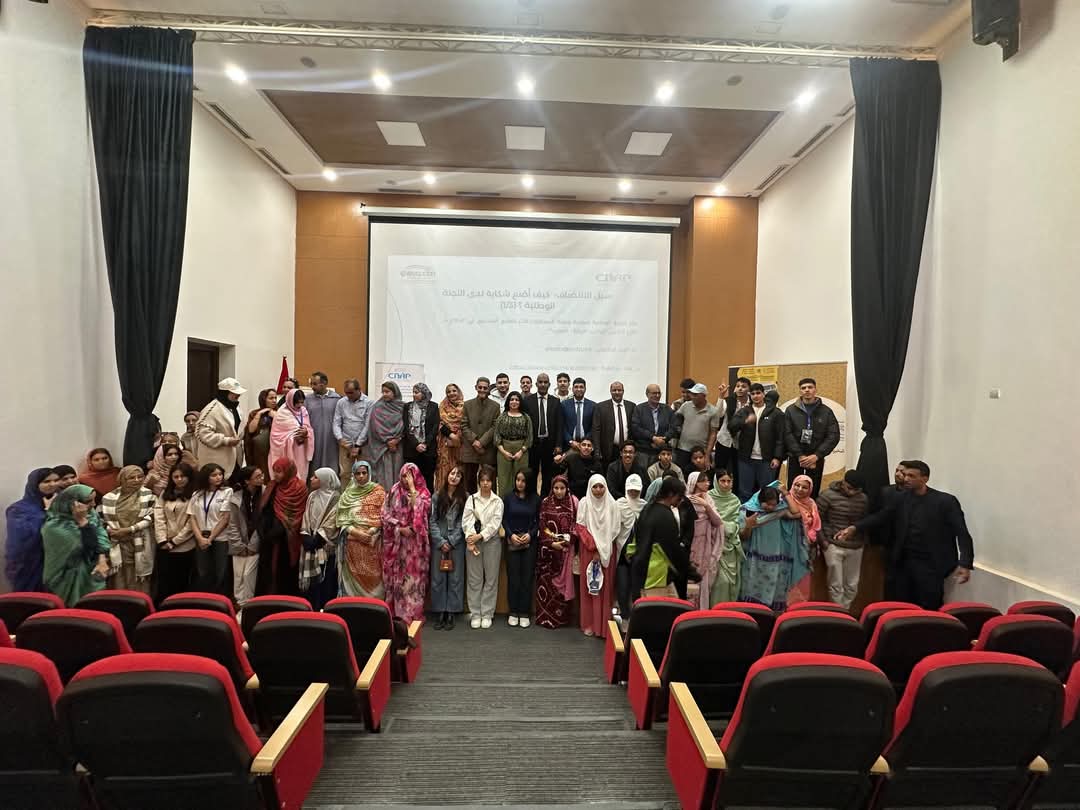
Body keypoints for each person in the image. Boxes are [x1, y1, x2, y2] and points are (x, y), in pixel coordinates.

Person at [838, 460, 974, 611]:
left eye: (911, 476)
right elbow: (882, 516)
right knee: (896, 605)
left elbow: (961, 532)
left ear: (925, 478)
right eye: (905, 474)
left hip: (931, 565)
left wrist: (965, 563)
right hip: (902, 562)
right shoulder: (901, 498)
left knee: (927, 606)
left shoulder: (945, 501)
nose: (906, 478)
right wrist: (855, 528)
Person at [739, 483, 810, 611]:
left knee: (774, 589)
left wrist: (785, 493)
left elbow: (796, 513)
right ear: (760, 500)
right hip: (754, 558)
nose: (771, 507)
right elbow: (742, 537)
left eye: (774, 504)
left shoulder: (779, 511)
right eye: (767, 504)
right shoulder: (748, 510)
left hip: (776, 558)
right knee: (752, 587)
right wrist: (749, 525)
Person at [630, 477, 699, 599]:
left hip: (640, 571)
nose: (681, 500)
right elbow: (672, 549)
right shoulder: (665, 516)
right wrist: (690, 571)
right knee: (660, 611)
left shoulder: (647, 509)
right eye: (679, 497)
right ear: (671, 494)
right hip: (655, 577)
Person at [41, 484, 111, 606]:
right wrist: (82, 522)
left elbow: (101, 536)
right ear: (72, 503)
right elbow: (90, 546)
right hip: (66, 579)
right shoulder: (54, 527)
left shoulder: (91, 515)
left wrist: (102, 558)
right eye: (88, 501)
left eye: (94, 500)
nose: (94, 504)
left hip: (92, 574)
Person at [381, 463, 432, 623]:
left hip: (416, 547)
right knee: (398, 580)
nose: (406, 480)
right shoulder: (394, 490)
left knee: (414, 581)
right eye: (404, 476)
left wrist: (412, 489)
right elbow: (384, 514)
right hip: (398, 544)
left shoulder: (423, 492)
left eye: (410, 476)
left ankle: (413, 614)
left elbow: (421, 514)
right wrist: (399, 527)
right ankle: (397, 614)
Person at [574, 474, 620, 639]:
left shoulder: (612, 504)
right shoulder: (584, 503)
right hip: (589, 550)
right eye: (595, 487)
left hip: (607, 550)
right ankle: (589, 624)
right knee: (590, 587)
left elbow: (615, 529)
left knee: (605, 587)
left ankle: (603, 627)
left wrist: (602, 548)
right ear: (590, 487)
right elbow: (580, 526)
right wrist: (593, 547)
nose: (598, 490)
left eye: (601, 486)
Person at [817, 469, 869, 609]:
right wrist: (823, 541)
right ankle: (838, 614)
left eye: (856, 490)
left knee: (852, 585)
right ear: (843, 482)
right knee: (836, 584)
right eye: (849, 488)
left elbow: (865, 521)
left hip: (856, 546)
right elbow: (817, 520)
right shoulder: (827, 495)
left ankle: (845, 611)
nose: (852, 492)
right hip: (833, 544)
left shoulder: (863, 498)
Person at [100, 465, 155, 594]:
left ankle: (140, 602)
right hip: (118, 542)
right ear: (122, 479)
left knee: (140, 576)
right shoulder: (109, 498)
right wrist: (112, 531)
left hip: (140, 540)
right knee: (120, 574)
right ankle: (121, 600)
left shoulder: (149, 496)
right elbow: (102, 519)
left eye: (140, 477)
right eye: (131, 477)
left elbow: (150, 518)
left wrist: (129, 530)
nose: (137, 480)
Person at [335, 460, 387, 598]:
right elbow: (342, 519)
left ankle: (374, 606)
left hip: (372, 542)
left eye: (364, 473)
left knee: (375, 580)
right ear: (353, 475)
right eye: (358, 473)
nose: (361, 476)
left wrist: (371, 532)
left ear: (369, 473)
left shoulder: (378, 492)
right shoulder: (347, 495)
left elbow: (384, 515)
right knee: (352, 588)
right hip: (352, 545)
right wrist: (355, 532)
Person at [782, 378, 841, 497]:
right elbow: (787, 434)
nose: (807, 390)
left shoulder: (826, 411)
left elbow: (833, 435)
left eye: (810, 387)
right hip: (795, 457)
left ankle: (811, 508)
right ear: (800, 391)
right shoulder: (790, 410)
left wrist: (817, 455)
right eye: (803, 388)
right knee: (794, 488)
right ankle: (793, 508)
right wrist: (800, 455)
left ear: (815, 390)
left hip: (816, 457)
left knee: (812, 489)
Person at [728, 383, 786, 502]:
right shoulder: (745, 411)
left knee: (767, 493)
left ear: (763, 394)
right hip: (746, 459)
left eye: (758, 393)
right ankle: (745, 513)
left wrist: (777, 457)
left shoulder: (776, 413)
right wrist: (745, 421)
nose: (755, 396)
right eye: (753, 393)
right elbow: (731, 426)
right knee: (744, 492)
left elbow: (781, 437)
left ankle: (765, 514)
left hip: (767, 460)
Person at [5, 468, 60, 592]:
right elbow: (23, 537)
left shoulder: (61, 505)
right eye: (46, 481)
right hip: (30, 565)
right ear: (35, 484)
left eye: (56, 480)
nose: (53, 484)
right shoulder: (18, 509)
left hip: (57, 564)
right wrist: (48, 512)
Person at [462, 465, 503, 629]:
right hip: (473, 543)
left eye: (488, 480)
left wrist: (480, 536)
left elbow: (495, 524)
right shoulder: (471, 499)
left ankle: (487, 613)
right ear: (479, 482)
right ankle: (475, 613)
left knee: (491, 579)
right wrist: (471, 539)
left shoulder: (498, 501)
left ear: (493, 482)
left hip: (491, 542)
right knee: (474, 579)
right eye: (483, 480)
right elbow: (466, 521)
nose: (485, 483)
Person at [429, 465, 466, 629]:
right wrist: (440, 541)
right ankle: (440, 612)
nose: (454, 477)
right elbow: (432, 521)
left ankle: (451, 612)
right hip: (439, 543)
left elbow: (463, 522)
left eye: (458, 475)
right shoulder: (437, 496)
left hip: (456, 543)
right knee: (438, 578)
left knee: (455, 578)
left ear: (461, 479)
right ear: (447, 475)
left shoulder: (465, 497)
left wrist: (451, 541)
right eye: (452, 473)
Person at [536, 475, 576, 630]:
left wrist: (567, 541)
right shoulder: (546, 502)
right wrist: (552, 543)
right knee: (547, 585)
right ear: (552, 488)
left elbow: (576, 526)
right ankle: (545, 617)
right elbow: (542, 526)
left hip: (566, 552)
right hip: (548, 552)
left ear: (567, 488)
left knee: (562, 587)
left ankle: (561, 619)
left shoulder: (573, 503)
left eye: (562, 488)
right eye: (556, 488)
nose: (559, 491)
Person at [188, 463, 234, 595]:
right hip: (201, 536)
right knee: (203, 570)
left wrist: (210, 538)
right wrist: (200, 538)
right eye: (214, 475)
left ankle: (220, 598)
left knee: (221, 571)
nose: (218, 477)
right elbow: (192, 517)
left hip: (220, 537)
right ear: (205, 477)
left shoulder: (227, 491)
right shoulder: (197, 494)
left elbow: (225, 518)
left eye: (220, 474)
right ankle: (204, 597)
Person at [298, 467, 341, 609]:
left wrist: (318, 539)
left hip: (325, 547)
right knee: (312, 587)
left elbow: (333, 522)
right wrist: (305, 535)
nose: (311, 479)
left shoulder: (336, 498)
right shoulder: (312, 496)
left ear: (324, 480)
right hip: (311, 544)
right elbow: (306, 516)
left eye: (315, 477)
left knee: (325, 582)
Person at [154, 462, 196, 603]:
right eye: (176, 477)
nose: (179, 479)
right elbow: (159, 516)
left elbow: (191, 523)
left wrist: (174, 542)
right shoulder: (165, 494)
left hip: (185, 545)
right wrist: (162, 540)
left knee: (182, 580)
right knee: (165, 581)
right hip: (164, 545)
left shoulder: (195, 495)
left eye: (182, 476)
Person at [502, 469, 539, 627]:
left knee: (527, 578)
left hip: (529, 542)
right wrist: (510, 535)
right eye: (518, 480)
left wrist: (531, 534)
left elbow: (539, 521)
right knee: (513, 577)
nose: (520, 483)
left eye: (523, 480)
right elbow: (504, 519)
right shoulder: (508, 498)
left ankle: (524, 612)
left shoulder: (536, 499)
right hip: (513, 542)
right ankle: (513, 611)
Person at [225, 466, 264, 606]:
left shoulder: (266, 494)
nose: (262, 478)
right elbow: (232, 523)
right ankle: (239, 605)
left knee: (248, 575)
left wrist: (253, 545)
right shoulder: (236, 497)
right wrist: (239, 545)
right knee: (238, 576)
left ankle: (247, 605)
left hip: (256, 542)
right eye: (257, 476)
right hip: (239, 543)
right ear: (247, 481)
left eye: (262, 475)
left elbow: (263, 523)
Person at [686, 471, 725, 610]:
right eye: (703, 481)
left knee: (703, 580)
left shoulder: (708, 500)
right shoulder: (685, 500)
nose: (707, 484)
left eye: (708, 481)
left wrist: (706, 506)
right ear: (695, 483)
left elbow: (718, 522)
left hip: (704, 545)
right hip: (690, 544)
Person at [195, 378, 246, 478]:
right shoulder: (212, 409)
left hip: (234, 458)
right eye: (234, 393)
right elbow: (202, 434)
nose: (238, 395)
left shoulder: (235, 407)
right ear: (225, 393)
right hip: (217, 460)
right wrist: (226, 440)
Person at [523, 372, 563, 499]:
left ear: (549, 385)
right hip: (532, 444)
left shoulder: (556, 401)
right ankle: (532, 499)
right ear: (536, 384)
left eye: (545, 382)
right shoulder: (527, 401)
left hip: (549, 444)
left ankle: (545, 500)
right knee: (531, 472)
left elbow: (559, 425)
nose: (543, 384)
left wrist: (558, 445)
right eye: (540, 382)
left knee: (547, 474)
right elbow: (525, 424)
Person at [707, 469, 745, 603]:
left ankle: (728, 610)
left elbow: (738, 524)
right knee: (718, 581)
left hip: (730, 545)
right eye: (722, 481)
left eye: (729, 481)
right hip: (712, 545)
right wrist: (723, 526)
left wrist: (726, 527)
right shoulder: (708, 498)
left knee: (730, 582)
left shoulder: (735, 500)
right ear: (716, 482)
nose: (726, 484)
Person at [459, 378, 500, 493]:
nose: (482, 390)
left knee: (489, 480)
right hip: (470, 448)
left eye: (485, 388)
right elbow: (464, 425)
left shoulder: (495, 406)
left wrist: (481, 442)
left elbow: (495, 426)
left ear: (489, 389)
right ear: (476, 387)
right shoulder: (467, 405)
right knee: (469, 482)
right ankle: (471, 503)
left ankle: (490, 503)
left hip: (487, 449)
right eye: (480, 387)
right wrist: (474, 441)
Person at [614, 473, 645, 619]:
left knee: (637, 589)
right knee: (622, 587)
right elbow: (614, 527)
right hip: (622, 553)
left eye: (636, 490)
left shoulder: (645, 506)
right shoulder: (619, 504)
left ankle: (637, 619)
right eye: (631, 489)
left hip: (639, 554)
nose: (633, 492)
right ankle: (624, 616)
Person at [674, 383, 720, 477]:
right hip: (683, 449)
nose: (692, 397)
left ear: (703, 396)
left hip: (701, 452)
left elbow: (713, 434)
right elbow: (676, 420)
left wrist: (707, 454)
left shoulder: (713, 411)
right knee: (681, 476)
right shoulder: (686, 406)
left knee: (701, 478)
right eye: (691, 394)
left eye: (695, 395)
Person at [269, 388, 315, 478]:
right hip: (288, 449)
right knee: (289, 473)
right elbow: (276, 435)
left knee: (301, 473)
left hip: (301, 448)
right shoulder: (282, 413)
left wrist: (306, 432)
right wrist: (292, 436)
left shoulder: (303, 410)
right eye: (297, 403)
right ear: (290, 401)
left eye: (302, 402)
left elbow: (309, 427)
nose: (300, 405)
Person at [367, 381, 405, 489]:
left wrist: (397, 440)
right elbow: (374, 426)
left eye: (387, 392)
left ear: (395, 392)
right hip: (382, 447)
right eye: (383, 392)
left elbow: (407, 425)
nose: (384, 394)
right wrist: (388, 441)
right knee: (383, 475)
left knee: (398, 471)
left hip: (398, 446)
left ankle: (397, 496)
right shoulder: (377, 407)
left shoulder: (403, 407)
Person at [494, 391, 533, 496]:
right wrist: (503, 452)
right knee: (504, 477)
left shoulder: (526, 417)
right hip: (504, 449)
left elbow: (529, 437)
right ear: (508, 402)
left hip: (521, 449)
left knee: (521, 477)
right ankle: (504, 501)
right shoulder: (502, 417)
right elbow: (497, 436)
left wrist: (521, 451)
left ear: (520, 402)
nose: (514, 402)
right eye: (512, 399)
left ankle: (520, 500)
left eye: (517, 400)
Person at [403, 382, 439, 492]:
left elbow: (435, 427)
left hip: (428, 449)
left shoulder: (433, 406)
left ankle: (427, 501)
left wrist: (425, 444)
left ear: (424, 393)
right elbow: (406, 427)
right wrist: (416, 444)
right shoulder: (408, 407)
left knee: (428, 479)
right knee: (412, 479)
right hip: (412, 449)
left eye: (417, 392)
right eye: (413, 392)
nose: (414, 394)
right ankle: (413, 501)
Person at [333, 378, 373, 479]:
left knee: (363, 472)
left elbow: (367, 425)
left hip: (363, 444)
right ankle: (345, 490)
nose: (348, 395)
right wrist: (340, 438)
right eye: (346, 393)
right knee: (345, 473)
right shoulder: (341, 402)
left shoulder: (369, 402)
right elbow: (336, 422)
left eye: (351, 393)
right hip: (345, 442)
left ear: (359, 389)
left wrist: (358, 444)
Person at [593, 381, 637, 467]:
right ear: (610, 391)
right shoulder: (601, 407)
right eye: (614, 390)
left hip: (627, 449)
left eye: (619, 390)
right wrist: (597, 450)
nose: (617, 392)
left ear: (623, 391)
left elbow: (634, 428)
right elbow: (596, 430)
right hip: (608, 449)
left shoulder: (631, 406)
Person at [630, 383, 677, 464]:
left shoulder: (667, 409)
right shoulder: (639, 409)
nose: (657, 395)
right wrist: (653, 438)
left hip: (662, 450)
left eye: (659, 393)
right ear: (647, 394)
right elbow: (636, 428)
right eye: (654, 393)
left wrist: (664, 439)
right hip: (644, 450)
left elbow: (673, 427)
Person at [305, 372, 342, 475]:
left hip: (331, 439)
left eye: (315, 384)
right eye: (311, 384)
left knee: (331, 465)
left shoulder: (336, 399)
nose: (312, 387)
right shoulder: (307, 400)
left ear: (324, 383)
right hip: (313, 439)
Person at [714, 378, 751, 475]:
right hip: (724, 440)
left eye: (743, 386)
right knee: (720, 470)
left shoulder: (752, 404)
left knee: (738, 472)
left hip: (741, 444)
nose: (740, 389)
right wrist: (721, 395)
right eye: (738, 386)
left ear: (749, 389)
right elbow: (717, 414)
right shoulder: (728, 400)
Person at [435, 383, 465, 491]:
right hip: (445, 444)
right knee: (444, 470)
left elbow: (466, 424)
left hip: (460, 444)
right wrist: (451, 435)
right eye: (448, 391)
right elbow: (440, 424)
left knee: (458, 470)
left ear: (458, 392)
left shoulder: (465, 407)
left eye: (454, 391)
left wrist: (458, 436)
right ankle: (442, 495)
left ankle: (458, 496)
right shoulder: (442, 407)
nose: (451, 393)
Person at [243, 388, 277, 478]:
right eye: (271, 398)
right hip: (259, 452)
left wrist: (276, 416)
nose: (274, 401)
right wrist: (259, 414)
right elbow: (251, 430)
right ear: (263, 399)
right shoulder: (254, 413)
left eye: (275, 398)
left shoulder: (279, 413)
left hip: (274, 449)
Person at [560, 377, 595, 451]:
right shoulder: (564, 405)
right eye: (576, 387)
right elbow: (562, 426)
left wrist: (585, 441)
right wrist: (570, 441)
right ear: (572, 389)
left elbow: (594, 426)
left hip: (587, 446)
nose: (579, 389)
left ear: (585, 389)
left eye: (581, 387)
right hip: (568, 446)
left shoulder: (593, 405)